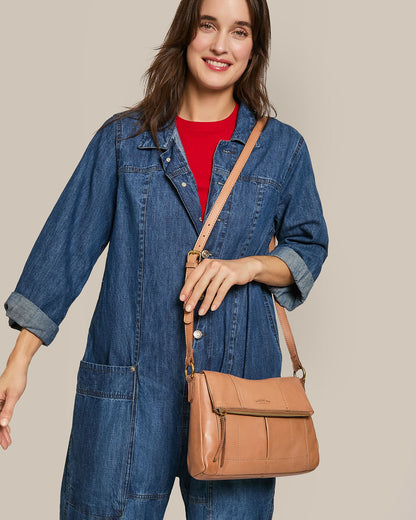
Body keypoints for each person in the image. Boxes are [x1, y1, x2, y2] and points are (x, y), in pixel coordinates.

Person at [0, 0, 329, 518]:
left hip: (236, 396)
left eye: (239, 32)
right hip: (130, 395)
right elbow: (64, 249)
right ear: (186, 33)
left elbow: (309, 244)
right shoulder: (123, 141)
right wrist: (19, 362)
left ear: (254, 49)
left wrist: (247, 266)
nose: (221, 45)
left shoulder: (282, 150)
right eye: (208, 25)